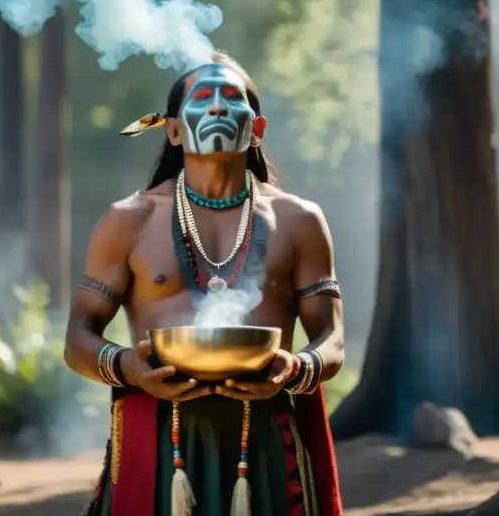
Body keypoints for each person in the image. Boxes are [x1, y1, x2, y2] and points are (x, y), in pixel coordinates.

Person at [64, 52, 345, 516]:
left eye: (232, 97)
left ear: (257, 128)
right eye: (203, 96)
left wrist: (294, 369)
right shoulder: (129, 219)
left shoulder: (299, 220)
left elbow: (332, 341)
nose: (217, 106)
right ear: (173, 129)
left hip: (265, 434)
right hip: (158, 436)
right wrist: (130, 369)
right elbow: (77, 339)